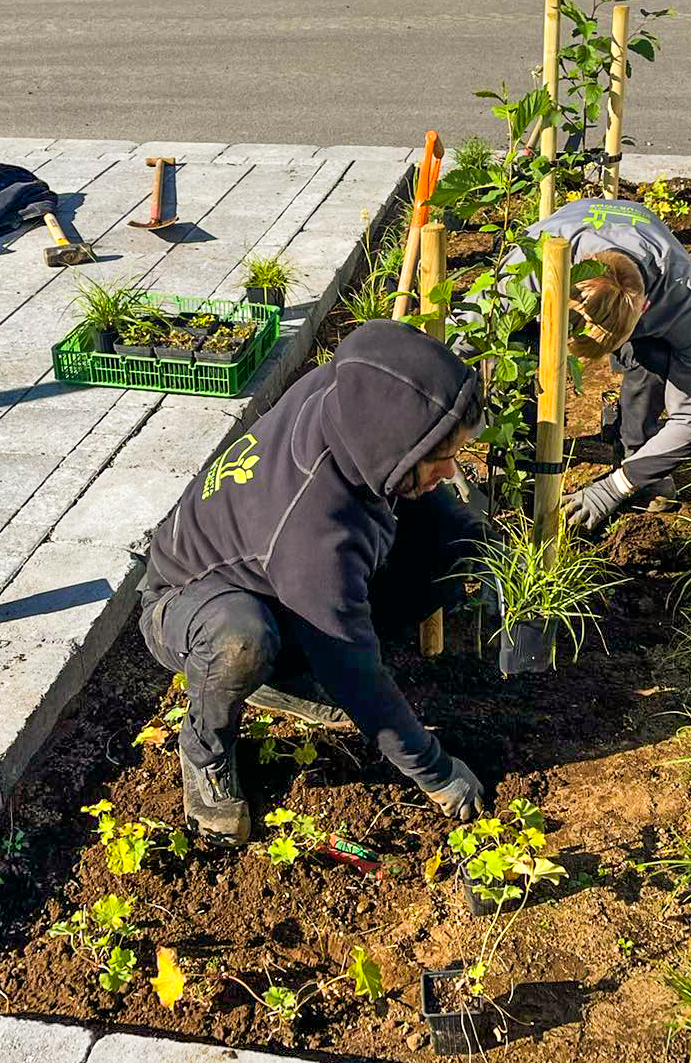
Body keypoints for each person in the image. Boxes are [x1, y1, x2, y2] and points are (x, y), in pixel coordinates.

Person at [139, 323, 489, 844]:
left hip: (274, 574)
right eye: (441, 459)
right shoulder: (314, 534)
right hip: (186, 604)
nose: (451, 470)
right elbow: (356, 673)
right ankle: (205, 750)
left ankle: (283, 678)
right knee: (243, 639)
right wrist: (435, 772)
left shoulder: (348, 396)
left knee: (454, 540)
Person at [525, 190, 691, 536]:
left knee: (654, 356)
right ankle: (520, 458)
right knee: (510, 348)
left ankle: (638, 452)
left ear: (644, 310)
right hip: (562, 251)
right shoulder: (530, 262)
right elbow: (466, 337)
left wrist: (615, 487)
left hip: (655, 299)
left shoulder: (689, 300)